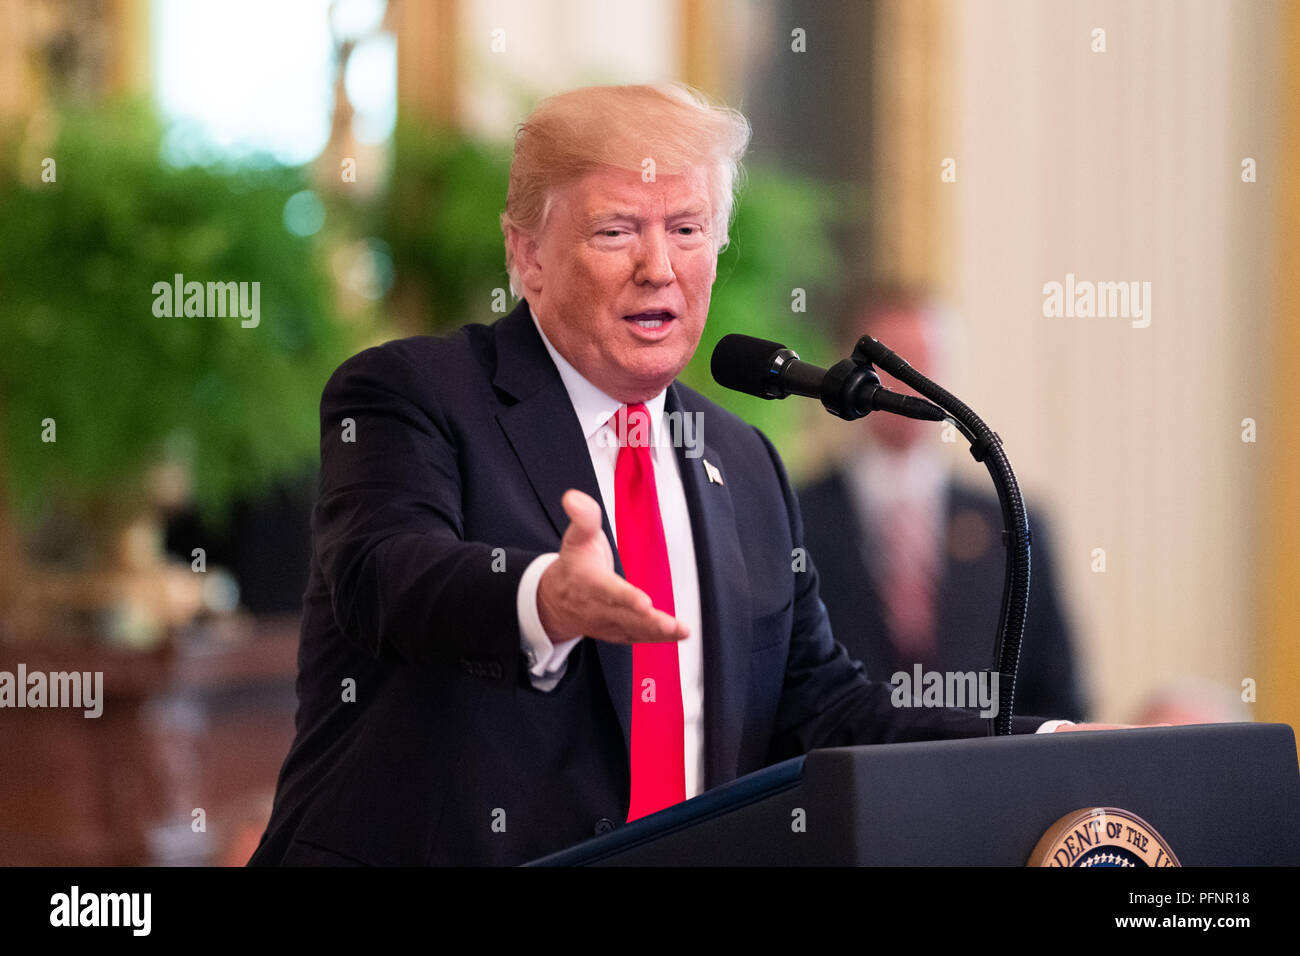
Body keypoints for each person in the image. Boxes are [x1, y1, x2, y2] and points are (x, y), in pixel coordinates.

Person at [249, 84, 1101, 868]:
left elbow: (823, 709)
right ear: (528, 254)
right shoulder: (414, 394)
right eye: (617, 230)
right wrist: (541, 596)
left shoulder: (743, 461)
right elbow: (383, 574)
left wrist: (1032, 747)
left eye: (687, 230)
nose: (658, 266)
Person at [798, 286, 1089, 721]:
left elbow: (1057, 689)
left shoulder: (1011, 517)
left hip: (985, 774)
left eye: (921, 362)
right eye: (888, 365)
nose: (905, 384)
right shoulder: (797, 516)